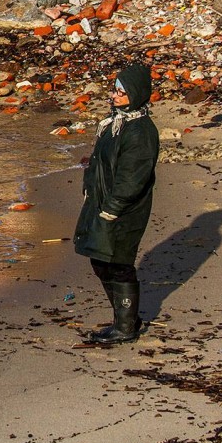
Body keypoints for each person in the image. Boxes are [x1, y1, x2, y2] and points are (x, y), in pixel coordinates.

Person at [74, 62, 160, 345]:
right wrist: (90, 189)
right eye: (115, 89)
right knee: (100, 258)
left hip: (124, 209)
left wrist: (113, 207)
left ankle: (126, 326)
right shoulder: (116, 123)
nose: (114, 95)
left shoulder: (140, 131)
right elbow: (99, 162)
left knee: (118, 261)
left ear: (135, 93)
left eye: (121, 91)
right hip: (104, 202)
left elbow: (133, 176)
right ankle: (124, 319)